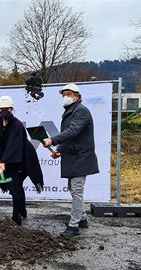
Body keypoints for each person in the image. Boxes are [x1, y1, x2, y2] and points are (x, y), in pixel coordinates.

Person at [43, 83, 99, 238]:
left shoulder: (81, 111)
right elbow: (69, 135)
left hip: (81, 158)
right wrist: (59, 150)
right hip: (74, 157)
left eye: (68, 94)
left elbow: (73, 131)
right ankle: (82, 219)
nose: (65, 97)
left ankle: (73, 226)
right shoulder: (71, 111)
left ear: (77, 96)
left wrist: (52, 141)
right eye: (63, 94)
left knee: (76, 191)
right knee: (73, 190)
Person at [0, 96, 44, 225]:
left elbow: (13, 145)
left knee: (15, 187)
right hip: (9, 159)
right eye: (2, 109)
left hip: (23, 158)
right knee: (16, 186)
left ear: (12, 109)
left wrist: (4, 161)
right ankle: (22, 211)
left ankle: (17, 217)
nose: (4, 111)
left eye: (7, 109)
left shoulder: (17, 125)